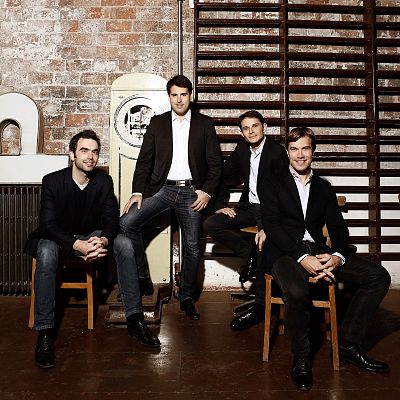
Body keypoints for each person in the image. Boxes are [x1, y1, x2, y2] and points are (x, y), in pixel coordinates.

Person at [258, 127, 391, 391]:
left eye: (305, 148)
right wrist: (301, 257)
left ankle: (348, 345)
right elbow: (272, 226)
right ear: (287, 152)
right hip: (284, 252)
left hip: (319, 250)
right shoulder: (271, 182)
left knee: (378, 277)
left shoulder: (324, 188)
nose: (300, 155)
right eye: (294, 149)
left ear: (313, 152)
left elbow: (338, 228)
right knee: (297, 291)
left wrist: (337, 256)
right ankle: (301, 357)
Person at [25, 130, 159, 370]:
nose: (90, 157)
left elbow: (111, 220)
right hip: (58, 238)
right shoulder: (52, 181)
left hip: (92, 236)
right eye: (84, 151)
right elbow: (48, 226)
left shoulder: (103, 182)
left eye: (95, 152)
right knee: (45, 252)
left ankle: (135, 320)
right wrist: (77, 245)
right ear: (72, 154)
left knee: (124, 244)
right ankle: (45, 333)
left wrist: (103, 240)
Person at [118, 74, 222, 321]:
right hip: (162, 189)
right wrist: (137, 191)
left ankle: (186, 297)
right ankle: (142, 277)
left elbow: (215, 164)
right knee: (127, 223)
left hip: (192, 192)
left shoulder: (205, 124)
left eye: (183, 95)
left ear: (191, 96)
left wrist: (206, 191)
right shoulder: (157, 123)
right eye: (174, 95)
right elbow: (144, 161)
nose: (179, 99)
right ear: (169, 97)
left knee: (192, 247)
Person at [202, 110, 288, 329]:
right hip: (248, 207)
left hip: (270, 210)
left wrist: (268, 226)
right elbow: (222, 175)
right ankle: (248, 254)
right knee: (211, 224)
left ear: (264, 127)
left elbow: (284, 192)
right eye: (246, 128)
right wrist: (220, 205)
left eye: (255, 126)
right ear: (241, 133)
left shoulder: (277, 153)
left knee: (264, 247)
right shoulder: (242, 149)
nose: (251, 132)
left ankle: (259, 309)